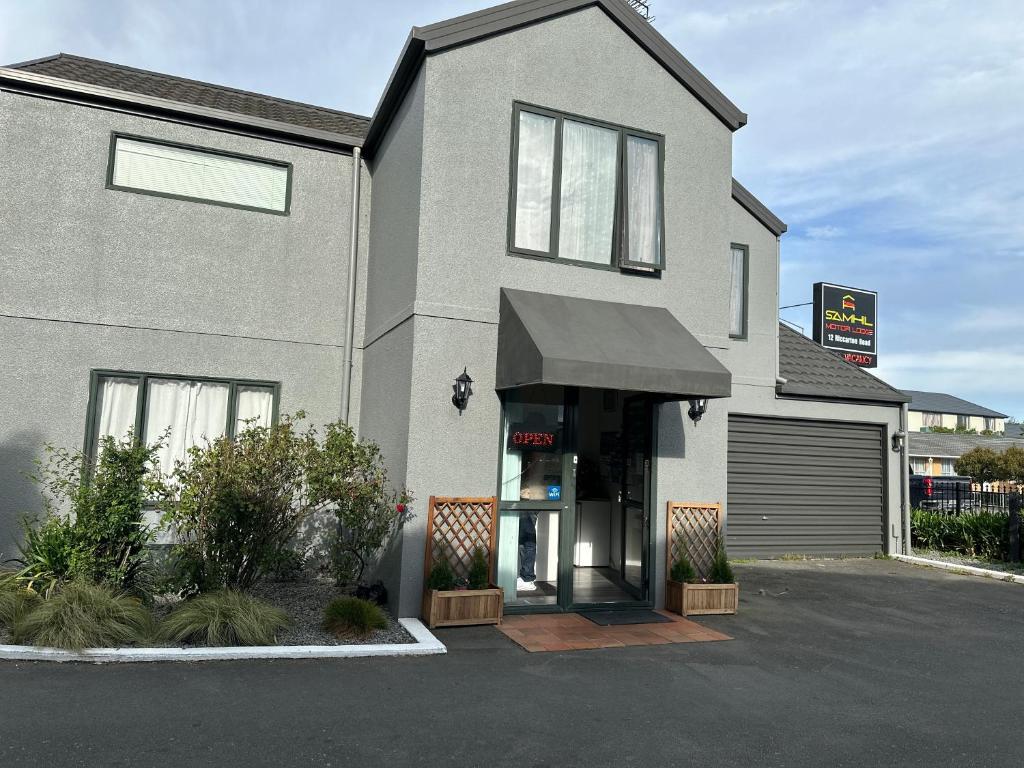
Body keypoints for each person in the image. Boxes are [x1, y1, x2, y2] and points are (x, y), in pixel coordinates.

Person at [517, 511, 538, 592]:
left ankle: (527, 579)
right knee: (524, 543)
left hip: (529, 503)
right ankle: (526, 577)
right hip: (529, 503)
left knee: (527, 542)